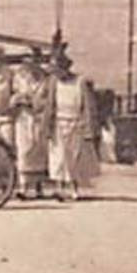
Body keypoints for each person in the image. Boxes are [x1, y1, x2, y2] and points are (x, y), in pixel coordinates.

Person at [46, 50, 99, 201]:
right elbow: (50, 104)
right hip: (58, 122)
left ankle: (74, 188)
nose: (57, 74)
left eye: (58, 70)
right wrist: (47, 126)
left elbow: (87, 105)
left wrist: (88, 126)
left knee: (73, 157)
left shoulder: (79, 82)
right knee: (58, 157)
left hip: (75, 123)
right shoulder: (54, 83)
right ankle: (59, 188)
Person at [10, 50, 52, 199]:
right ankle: (23, 186)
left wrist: (38, 105)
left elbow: (48, 98)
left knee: (40, 150)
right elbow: (14, 94)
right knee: (23, 151)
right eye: (27, 63)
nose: (29, 66)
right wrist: (19, 100)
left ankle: (39, 187)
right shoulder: (20, 78)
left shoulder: (46, 79)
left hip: (39, 117)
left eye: (33, 62)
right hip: (24, 117)